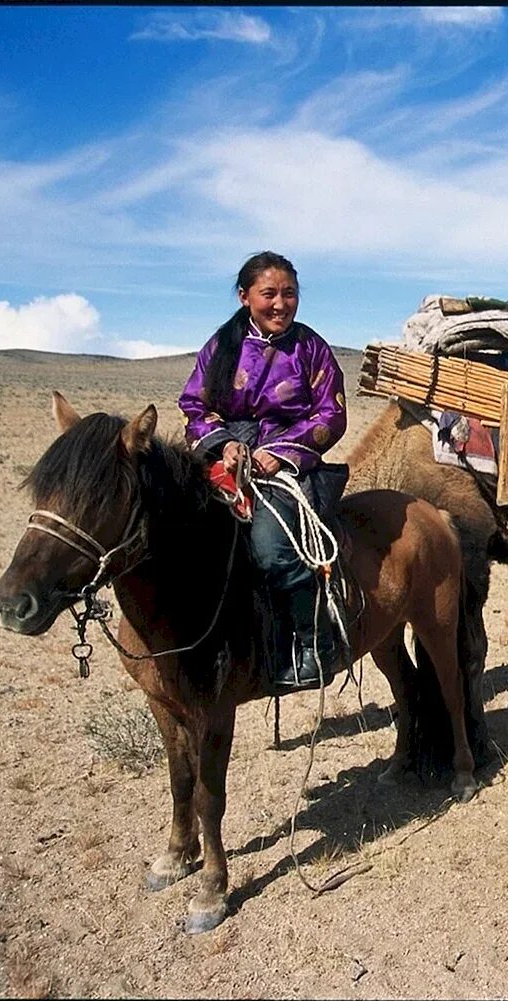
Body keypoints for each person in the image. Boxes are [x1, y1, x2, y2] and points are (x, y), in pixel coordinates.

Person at [178, 251, 349, 694]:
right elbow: (195, 406)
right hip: (224, 458)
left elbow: (331, 413)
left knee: (272, 551)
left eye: (289, 293)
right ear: (244, 296)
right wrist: (225, 443)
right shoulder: (220, 347)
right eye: (268, 293)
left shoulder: (311, 349)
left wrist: (281, 453)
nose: (280, 304)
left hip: (283, 465)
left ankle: (314, 645)